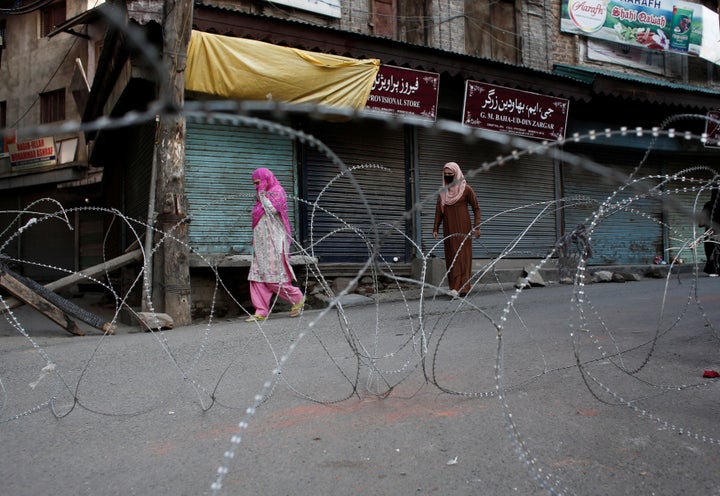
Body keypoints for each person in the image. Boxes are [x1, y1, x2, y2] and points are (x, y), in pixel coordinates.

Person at [246, 168, 305, 321]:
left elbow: (272, 210)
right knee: (257, 276)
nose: (256, 186)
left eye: (258, 183)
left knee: (273, 275)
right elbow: (259, 218)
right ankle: (261, 310)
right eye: (255, 184)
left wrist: (263, 193)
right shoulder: (260, 196)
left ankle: (297, 297)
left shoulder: (277, 191)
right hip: (261, 242)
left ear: (266, 178)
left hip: (274, 240)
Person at [432, 162, 481, 297]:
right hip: (448, 228)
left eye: (450, 174)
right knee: (451, 256)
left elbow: (476, 208)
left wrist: (477, 227)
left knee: (462, 256)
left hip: (463, 228)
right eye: (446, 174)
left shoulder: (466, 189)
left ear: (457, 174)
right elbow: (438, 212)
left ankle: (463, 287)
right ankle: (454, 286)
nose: (448, 176)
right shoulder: (443, 192)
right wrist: (435, 228)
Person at [699, 184, 720, 277]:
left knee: (710, 250)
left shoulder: (708, 205)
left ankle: (712, 270)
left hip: (709, 232)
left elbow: (701, 222)